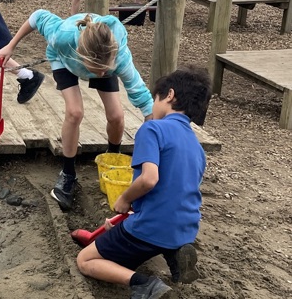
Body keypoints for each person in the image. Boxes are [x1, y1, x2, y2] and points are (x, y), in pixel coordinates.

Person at [76, 66, 211, 299]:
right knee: (156, 231)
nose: (153, 105)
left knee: (85, 260)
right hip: (186, 227)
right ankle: (175, 255)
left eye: (154, 98)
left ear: (169, 95)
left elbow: (149, 179)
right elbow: (170, 193)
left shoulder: (152, 129)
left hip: (151, 227)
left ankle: (145, 284)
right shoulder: (197, 147)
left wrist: (125, 199)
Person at [0, 11, 154, 210]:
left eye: (105, 70)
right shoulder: (62, 36)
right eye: (98, 70)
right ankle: (67, 174)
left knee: (116, 116)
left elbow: (144, 100)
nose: (101, 74)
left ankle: (110, 160)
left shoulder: (117, 56)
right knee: (75, 112)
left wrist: (153, 142)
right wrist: (11, 46)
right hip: (64, 60)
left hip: (102, 59)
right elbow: (37, 16)